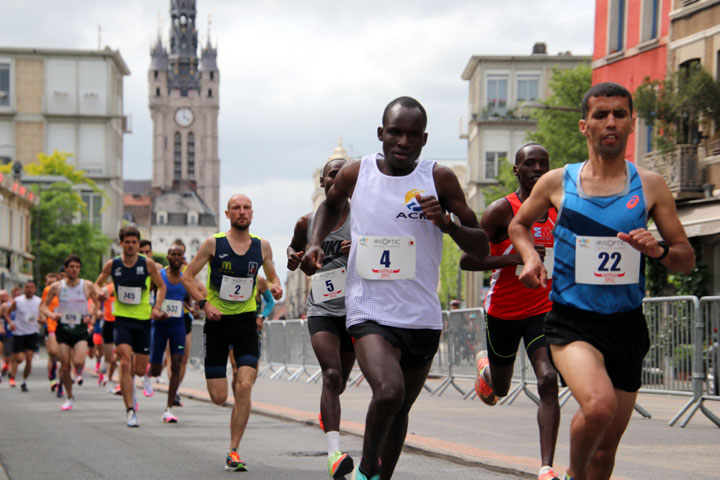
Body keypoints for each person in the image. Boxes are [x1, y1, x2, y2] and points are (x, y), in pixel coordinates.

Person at [508, 82, 695, 480]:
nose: (610, 121)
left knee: (605, 451)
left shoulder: (651, 186)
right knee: (598, 406)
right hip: (572, 320)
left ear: (631, 124)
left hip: (626, 324)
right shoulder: (558, 182)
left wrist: (658, 250)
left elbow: (685, 258)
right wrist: (529, 256)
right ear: (584, 125)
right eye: (600, 114)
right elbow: (518, 224)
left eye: (620, 114)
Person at [301, 97, 489, 480]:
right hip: (369, 308)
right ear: (380, 134)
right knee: (389, 391)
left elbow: (482, 244)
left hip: (421, 315)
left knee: (400, 409)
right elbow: (328, 205)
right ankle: (367, 472)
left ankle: (378, 476)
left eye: (412, 135)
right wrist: (315, 243)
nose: (403, 141)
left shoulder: (440, 179)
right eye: (395, 133)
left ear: (423, 139)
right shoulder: (358, 173)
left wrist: (448, 224)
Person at [461, 143, 561, 480]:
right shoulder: (501, 210)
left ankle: (546, 467)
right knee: (501, 390)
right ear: (516, 171)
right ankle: (486, 369)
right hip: (503, 311)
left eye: (543, 164)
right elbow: (467, 260)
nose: (537, 169)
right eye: (529, 163)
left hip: (543, 310)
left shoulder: (560, 209)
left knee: (548, 379)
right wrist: (514, 258)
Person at [182, 194, 283, 472]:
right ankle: (222, 379)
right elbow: (187, 276)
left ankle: (234, 450)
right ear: (227, 214)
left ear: (252, 213)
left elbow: (274, 276)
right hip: (217, 323)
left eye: (246, 207)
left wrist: (275, 286)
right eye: (236, 208)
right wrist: (204, 304)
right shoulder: (214, 244)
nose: (242, 212)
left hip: (246, 323)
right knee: (218, 396)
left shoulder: (262, 246)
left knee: (246, 384)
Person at [288, 157, 355, 479]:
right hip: (323, 309)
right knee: (330, 374)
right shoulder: (307, 222)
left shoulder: (364, 219)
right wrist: (297, 260)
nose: (339, 179)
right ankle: (334, 453)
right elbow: (294, 254)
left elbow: (386, 253)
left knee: (340, 381)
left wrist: (358, 248)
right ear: (323, 182)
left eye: (345, 174)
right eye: (333, 174)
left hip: (358, 310)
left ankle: (327, 412)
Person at [95, 226, 167, 427]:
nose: (131, 245)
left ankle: (134, 388)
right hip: (122, 320)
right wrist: (99, 293)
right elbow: (96, 284)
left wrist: (157, 307)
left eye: (134, 242)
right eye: (127, 242)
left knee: (139, 369)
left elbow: (161, 286)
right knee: (124, 362)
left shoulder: (148, 264)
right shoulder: (113, 265)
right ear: (121, 243)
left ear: (138, 243)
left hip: (143, 321)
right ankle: (130, 410)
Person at [147, 242, 202, 423]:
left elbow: (185, 300)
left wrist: (192, 309)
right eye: (173, 254)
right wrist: (155, 311)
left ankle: (169, 408)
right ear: (168, 257)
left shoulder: (186, 278)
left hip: (177, 325)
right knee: (155, 370)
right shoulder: (159, 276)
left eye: (179, 255)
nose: (176, 258)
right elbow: (149, 298)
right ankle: (155, 366)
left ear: (183, 257)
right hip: (160, 326)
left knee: (177, 363)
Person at [41, 255, 100, 411]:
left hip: (80, 328)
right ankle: (69, 396)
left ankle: (78, 371)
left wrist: (91, 317)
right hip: (63, 329)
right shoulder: (57, 287)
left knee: (79, 361)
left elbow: (97, 303)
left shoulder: (86, 285)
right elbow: (44, 306)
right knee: (65, 365)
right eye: (71, 267)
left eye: (77, 267)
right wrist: (52, 315)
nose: (74, 269)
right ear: (66, 269)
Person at [3, 281, 42, 392]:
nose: (29, 289)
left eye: (32, 287)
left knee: (29, 359)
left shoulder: (39, 301)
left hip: (32, 332)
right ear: (24, 289)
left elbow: (42, 313)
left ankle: (24, 381)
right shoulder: (18, 301)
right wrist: (10, 323)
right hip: (19, 333)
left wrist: (41, 319)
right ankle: (12, 375)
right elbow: (7, 313)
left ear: (35, 289)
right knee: (19, 359)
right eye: (27, 287)